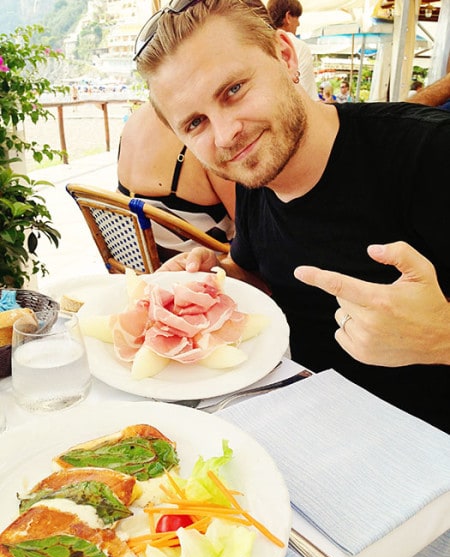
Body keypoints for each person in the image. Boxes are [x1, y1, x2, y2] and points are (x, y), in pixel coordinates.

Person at [135, 0, 450, 432]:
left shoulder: (429, 154)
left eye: (233, 90)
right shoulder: (253, 175)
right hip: (304, 421)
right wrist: (213, 279)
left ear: (285, 56)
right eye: (195, 123)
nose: (226, 135)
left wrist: (441, 335)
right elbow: (260, 274)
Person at [117, 101, 235, 261]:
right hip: (201, 273)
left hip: (139, 266)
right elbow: (255, 231)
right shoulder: (203, 141)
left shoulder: (135, 119)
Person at [266, 0, 318, 101]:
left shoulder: (260, 44)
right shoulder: (299, 47)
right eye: (297, 18)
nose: (298, 24)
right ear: (288, 17)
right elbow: (308, 97)